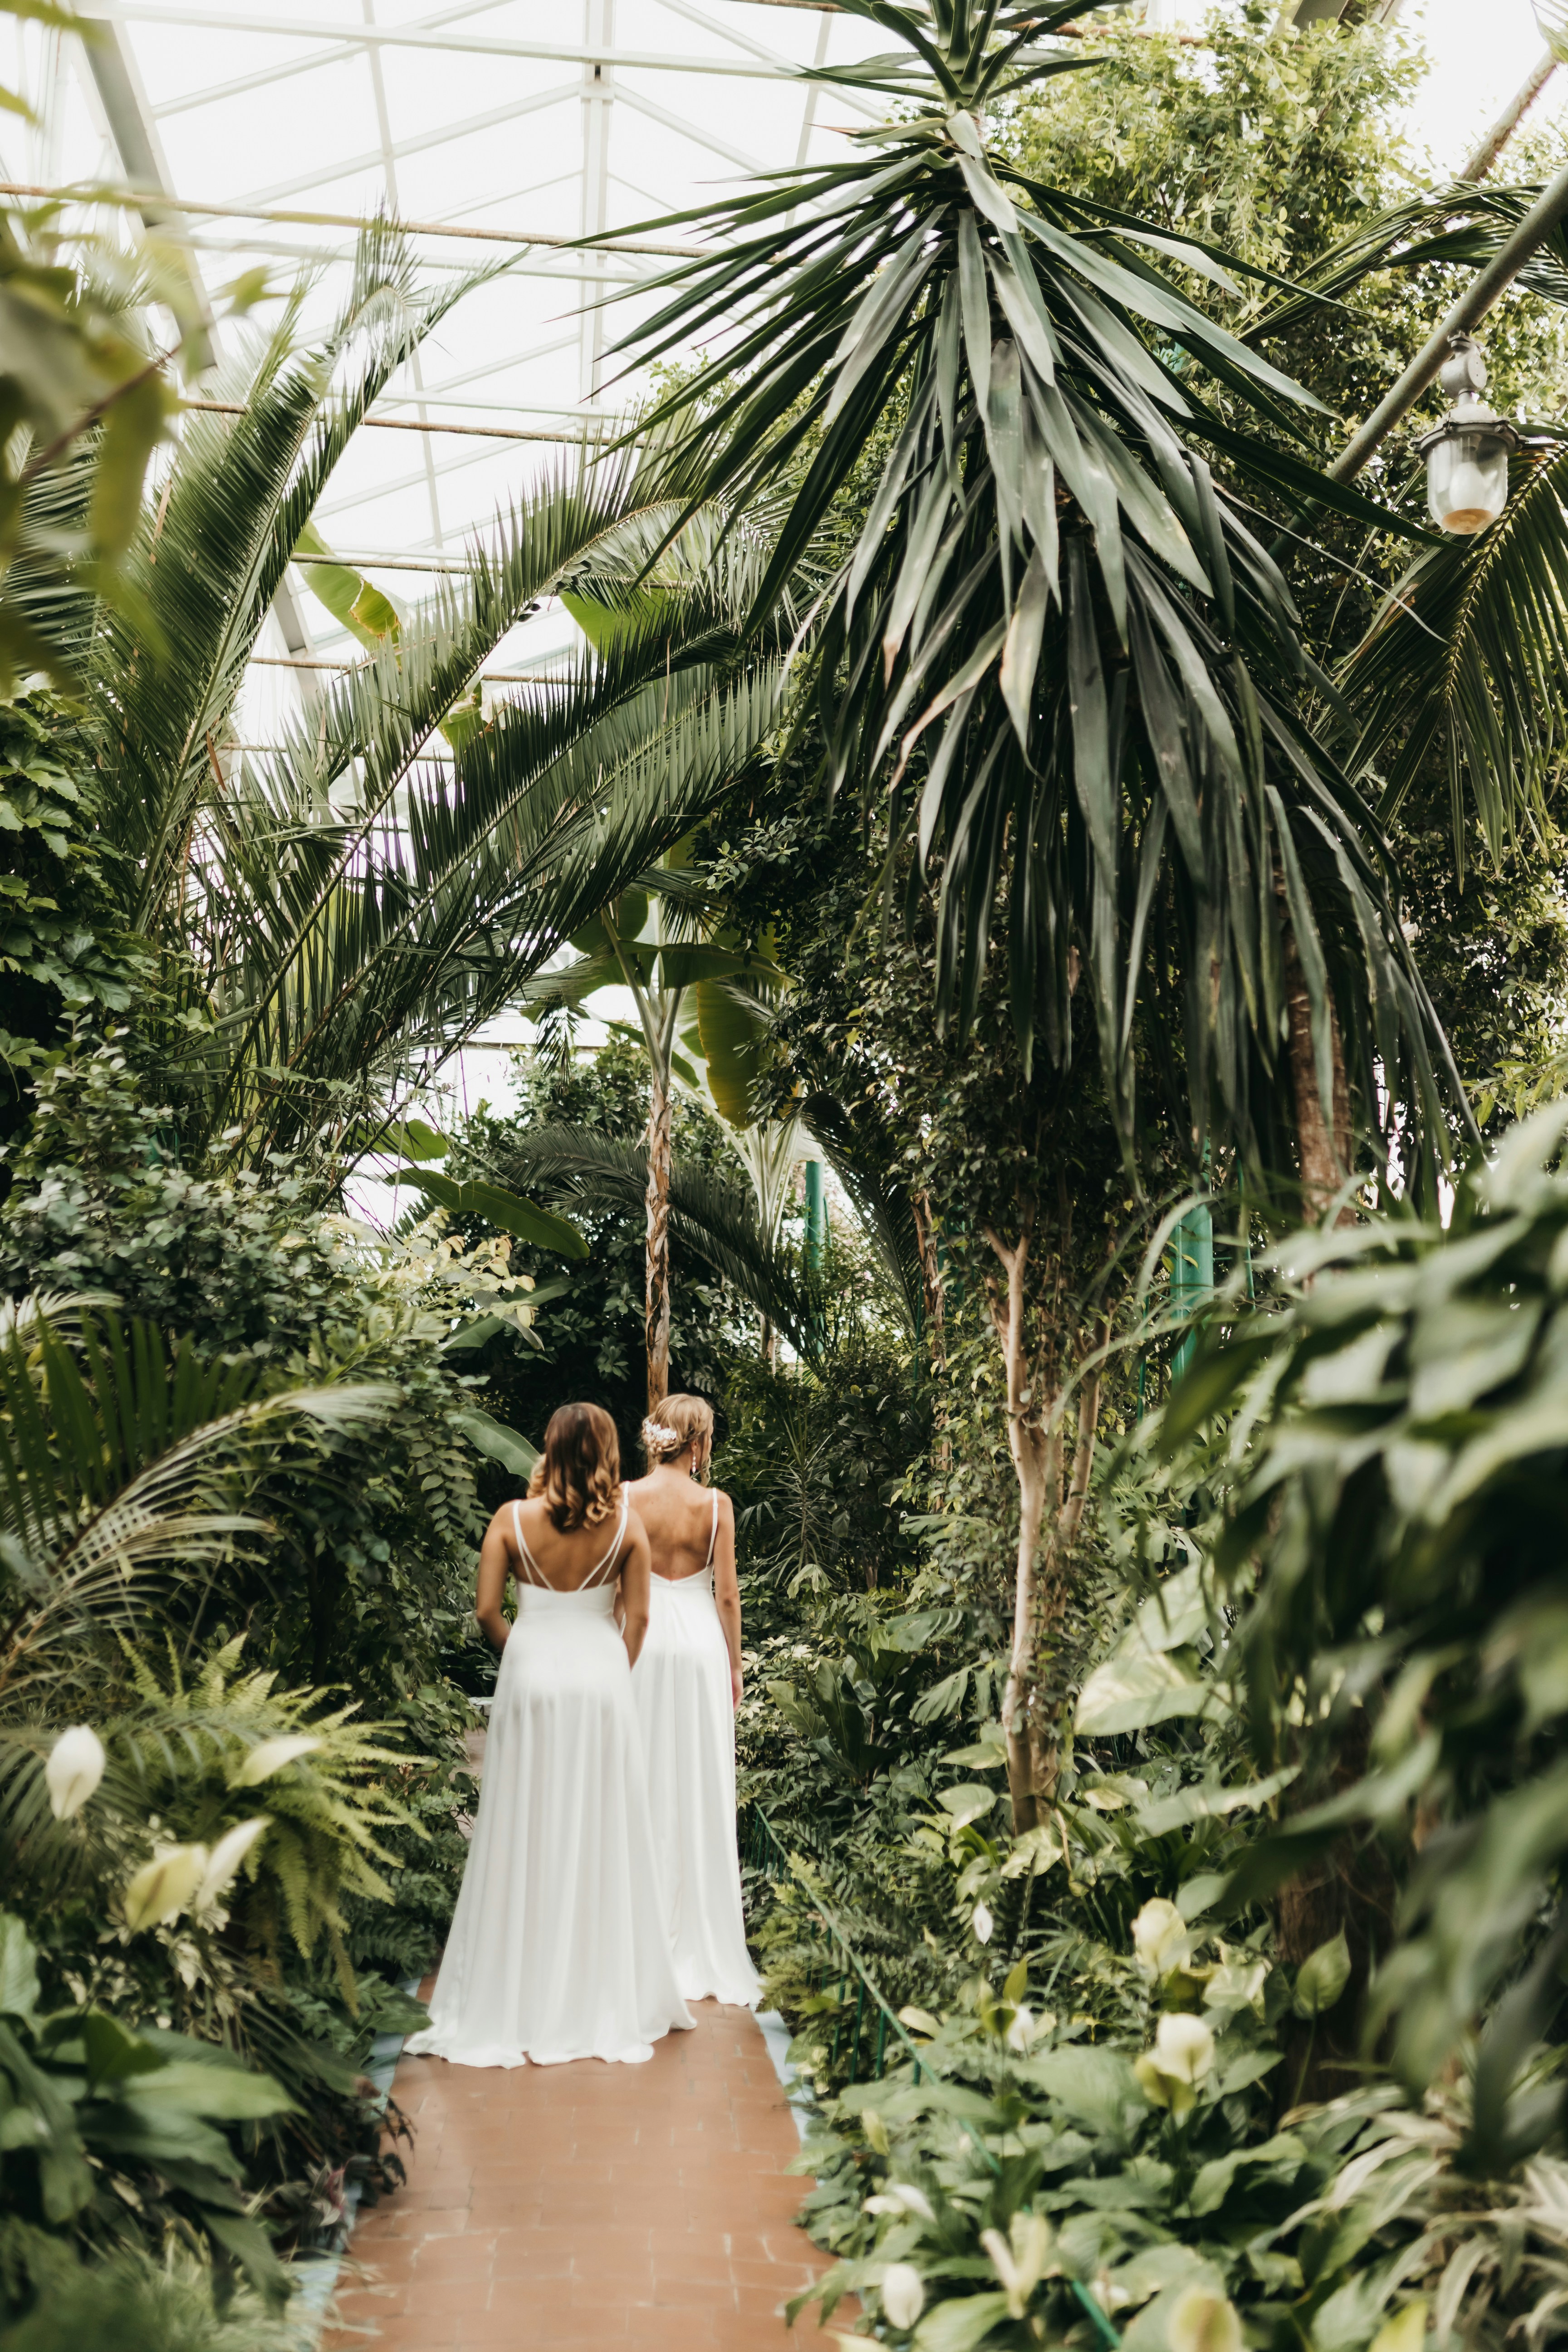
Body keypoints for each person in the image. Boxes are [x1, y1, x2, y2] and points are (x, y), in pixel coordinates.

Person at [406, 1402, 692, 2068]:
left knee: (521, 1825)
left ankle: (519, 1977)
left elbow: (485, 1612)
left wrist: (525, 1651)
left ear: (550, 1448)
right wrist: (606, 1674)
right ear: (608, 1453)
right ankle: (594, 1984)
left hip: (529, 1679)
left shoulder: (510, 1520)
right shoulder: (626, 1526)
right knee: (599, 1828)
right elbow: (640, 1623)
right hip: (600, 1683)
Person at [627, 1394, 761, 2009]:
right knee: (702, 1784)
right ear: (699, 1444)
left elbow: (612, 1584)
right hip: (702, 1643)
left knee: (643, 1780)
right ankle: (702, 1938)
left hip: (645, 1640)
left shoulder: (627, 1498)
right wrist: (734, 1665)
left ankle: (637, 1938)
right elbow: (728, 1596)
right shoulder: (716, 1505)